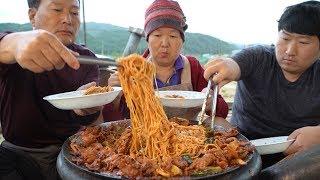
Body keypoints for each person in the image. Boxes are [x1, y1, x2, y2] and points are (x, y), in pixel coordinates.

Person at [203, 1, 320, 168]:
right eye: (285, 38)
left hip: (299, 159)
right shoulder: (259, 57)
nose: (290, 51)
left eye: (303, 42)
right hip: (242, 150)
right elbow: (235, 64)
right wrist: (226, 67)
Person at [0, 0, 102, 179]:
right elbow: (7, 46)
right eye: (57, 9)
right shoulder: (17, 49)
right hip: (19, 152)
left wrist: (87, 106)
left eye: (75, 12)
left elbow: (90, 117)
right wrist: (11, 44)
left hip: (70, 149)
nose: (67, 19)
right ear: (33, 16)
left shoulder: (87, 59)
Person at [102, 0, 229, 122]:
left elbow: (222, 112)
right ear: (148, 39)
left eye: (173, 36)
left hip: (187, 136)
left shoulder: (192, 67)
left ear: (181, 41)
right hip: (144, 139)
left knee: (220, 124)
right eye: (157, 35)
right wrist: (114, 96)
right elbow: (112, 120)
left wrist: (211, 102)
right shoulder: (133, 70)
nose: (165, 44)